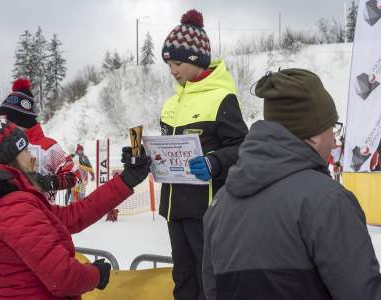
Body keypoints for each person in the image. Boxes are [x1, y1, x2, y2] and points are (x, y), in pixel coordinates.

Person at [202, 69, 381, 300]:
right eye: (332, 127)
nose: (334, 138)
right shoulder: (327, 201)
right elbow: (362, 293)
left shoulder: (220, 204)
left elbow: (212, 290)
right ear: (314, 135)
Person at [0, 102, 151, 299]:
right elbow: (63, 278)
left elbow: (73, 216)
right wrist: (96, 275)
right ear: (10, 158)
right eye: (25, 150)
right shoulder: (12, 208)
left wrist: (126, 181)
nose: (32, 156)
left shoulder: (8, 198)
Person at [159, 9, 248, 300]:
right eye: (169, 63)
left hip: (206, 209)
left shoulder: (222, 97)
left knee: (206, 275)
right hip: (174, 208)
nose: (172, 69)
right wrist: (145, 157)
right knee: (182, 275)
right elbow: (165, 150)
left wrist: (214, 162)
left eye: (177, 63)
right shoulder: (171, 102)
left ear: (196, 60)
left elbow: (241, 147)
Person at [0, 78, 79, 203]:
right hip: (9, 218)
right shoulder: (4, 146)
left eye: (10, 119)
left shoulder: (49, 147)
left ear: (21, 118)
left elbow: (73, 176)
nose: (7, 124)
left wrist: (45, 182)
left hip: (42, 216)